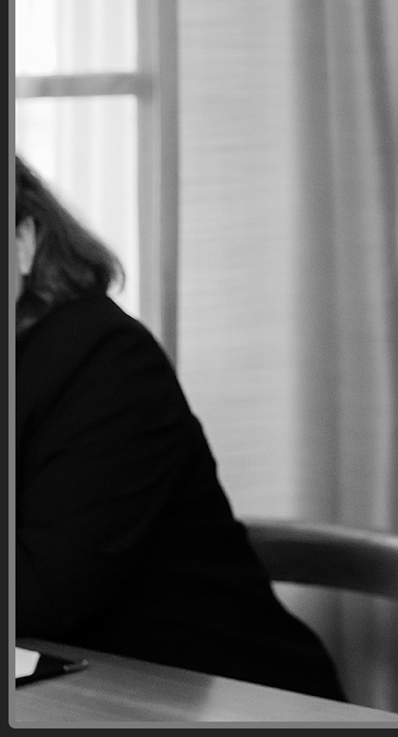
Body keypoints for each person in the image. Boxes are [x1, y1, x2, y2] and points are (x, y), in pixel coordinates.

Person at [13, 159, 346, 701]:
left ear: (25, 243)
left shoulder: (104, 361)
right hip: (75, 696)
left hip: (220, 695)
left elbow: (39, 594)